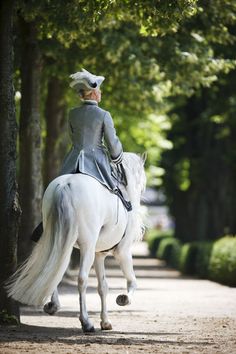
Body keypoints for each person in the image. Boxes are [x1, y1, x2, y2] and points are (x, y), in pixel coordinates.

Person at [31, 69, 131, 242]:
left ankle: (44, 224)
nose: (101, 93)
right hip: (97, 162)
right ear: (93, 93)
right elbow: (113, 144)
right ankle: (120, 220)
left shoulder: (72, 113)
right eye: (99, 90)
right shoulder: (104, 115)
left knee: (59, 189)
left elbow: (72, 135)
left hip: (73, 160)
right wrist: (118, 158)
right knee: (115, 190)